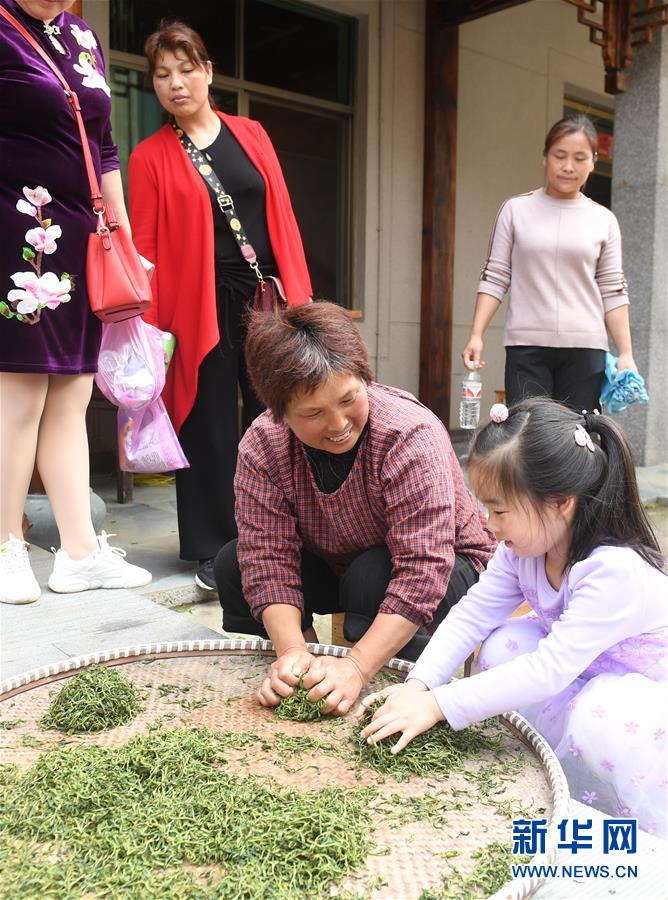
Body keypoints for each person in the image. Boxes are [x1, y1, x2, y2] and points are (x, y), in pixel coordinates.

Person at [360, 399, 667, 836]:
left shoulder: (612, 570)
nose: (488, 525)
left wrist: (438, 705)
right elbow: (472, 615)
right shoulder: (522, 551)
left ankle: (625, 831)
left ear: (560, 502)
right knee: (504, 644)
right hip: (578, 675)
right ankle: (551, 769)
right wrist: (419, 684)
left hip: (637, 696)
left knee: (597, 719)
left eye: (499, 510)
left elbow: (548, 671)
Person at [214, 301, 497, 717]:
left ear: (365, 378)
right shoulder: (264, 445)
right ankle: (297, 672)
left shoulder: (407, 434)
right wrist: (292, 650)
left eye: (349, 399)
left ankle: (400, 688)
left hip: (445, 567)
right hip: (336, 561)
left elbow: (423, 569)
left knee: (371, 576)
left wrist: (357, 666)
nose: (338, 423)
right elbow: (267, 557)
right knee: (233, 564)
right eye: (312, 413)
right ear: (280, 412)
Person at [128, 21, 311, 592]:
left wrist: (300, 302)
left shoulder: (251, 133)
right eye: (163, 75)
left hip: (263, 301)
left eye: (186, 69)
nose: (176, 83)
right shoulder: (150, 156)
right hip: (196, 308)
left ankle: (287, 537)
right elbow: (148, 250)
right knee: (206, 427)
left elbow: (281, 215)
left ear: (207, 72)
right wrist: (151, 331)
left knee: (277, 419)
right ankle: (214, 548)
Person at [0, 0, 151, 604]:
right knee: (20, 393)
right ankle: (6, 546)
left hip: (82, 239)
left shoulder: (80, 34)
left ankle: (80, 553)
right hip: (16, 227)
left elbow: (104, 148)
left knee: (73, 389)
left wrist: (126, 238)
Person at [461, 114, 637, 413]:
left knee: (579, 442)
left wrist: (626, 353)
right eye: (560, 155)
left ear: (593, 161)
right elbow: (495, 276)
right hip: (526, 347)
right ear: (545, 158)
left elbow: (613, 289)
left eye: (580, 158)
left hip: (585, 350)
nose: (568, 166)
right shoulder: (515, 210)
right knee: (528, 440)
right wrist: (476, 335)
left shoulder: (604, 220)